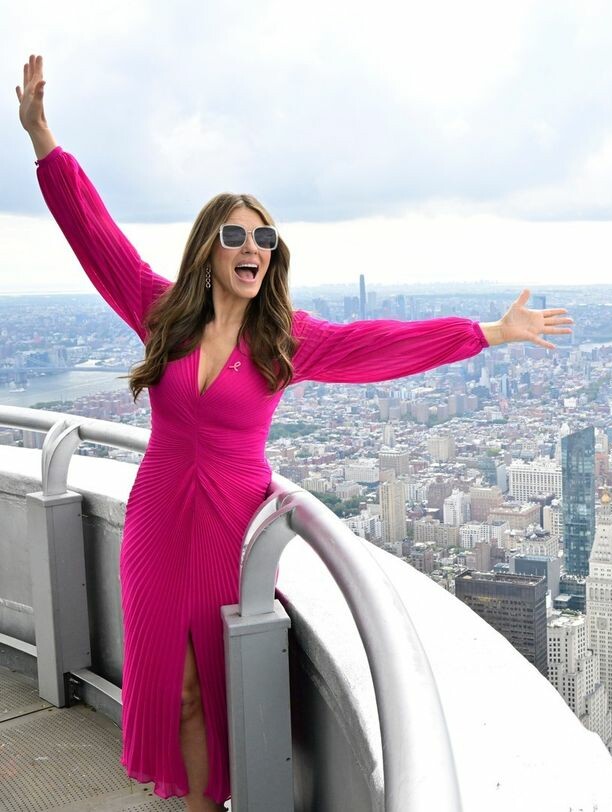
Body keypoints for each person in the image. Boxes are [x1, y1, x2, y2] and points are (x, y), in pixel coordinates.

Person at [16, 54, 572, 811]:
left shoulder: (284, 340)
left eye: (265, 238)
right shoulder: (160, 310)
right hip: (155, 518)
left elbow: (380, 345)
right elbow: (95, 235)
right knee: (173, 687)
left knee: (212, 686)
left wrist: (488, 333)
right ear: (209, 249)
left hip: (226, 525)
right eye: (236, 236)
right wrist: (43, 140)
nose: (253, 248)